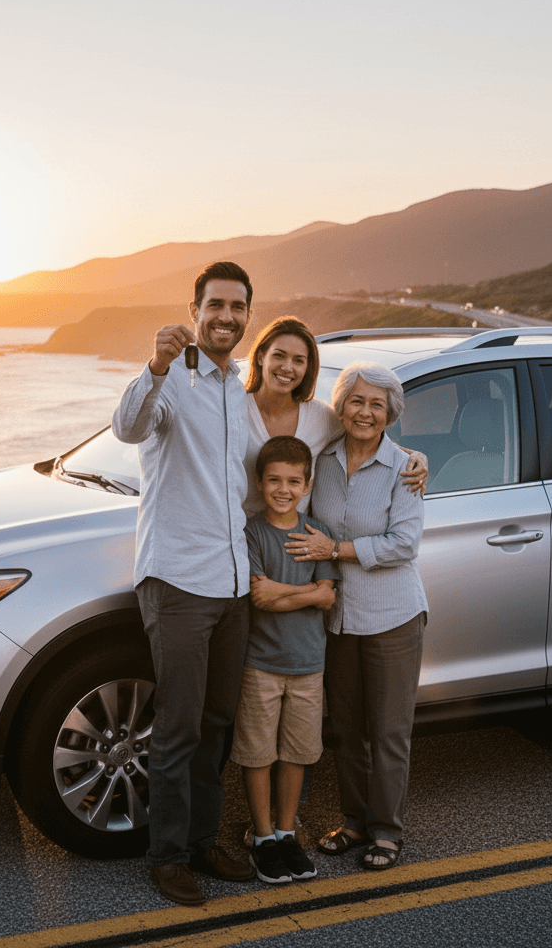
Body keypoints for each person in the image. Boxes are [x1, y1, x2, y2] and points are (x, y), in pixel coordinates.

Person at [112, 261, 257, 906]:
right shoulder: (171, 380)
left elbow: (284, 449)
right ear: (194, 310)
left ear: (247, 314)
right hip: (177, 582)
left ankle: (202, 841)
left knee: (217, 722)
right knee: (178, 728)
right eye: (215, 305)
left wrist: (402, 456)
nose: (226, 316)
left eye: (237, 306)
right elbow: (128, 427)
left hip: (233, 585)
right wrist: (155, 365)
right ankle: (167, 857)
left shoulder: (238, 387)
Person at [285, 361, 429, 871]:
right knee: (346, 729)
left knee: (388, 732)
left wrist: (336, 550)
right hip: (338, 618)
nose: (365, 412)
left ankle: (387, 832)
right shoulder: (321, 460)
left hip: (393, 616)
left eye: (377, 404)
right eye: (356, 401)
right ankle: (354, 822)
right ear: (341, 406)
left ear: (391, 413)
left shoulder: (405, 468)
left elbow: (404, 543)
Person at [230, 435, 338, 884]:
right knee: (257, 753)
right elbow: (259, 597)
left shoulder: (316, 534)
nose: (283, 489)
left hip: (309, 664)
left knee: (297, 752)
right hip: (261, 664)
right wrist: (308, 592)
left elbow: (328, 597)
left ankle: (286, 832)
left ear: (307, 484)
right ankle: (262, 838)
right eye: (274, 480)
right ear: (259, 482)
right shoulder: (252, 532)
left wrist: (286, 591)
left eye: (294, 481)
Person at [242, 316, 428, 518]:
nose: (287, 367)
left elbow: (365, 433)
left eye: (298, 360)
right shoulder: (234, 409)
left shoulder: (320, 417)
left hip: (298, 535)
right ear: (261, 357)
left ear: (307, 367)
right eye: (279, 355)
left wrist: (415, 456)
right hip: (239, 533)